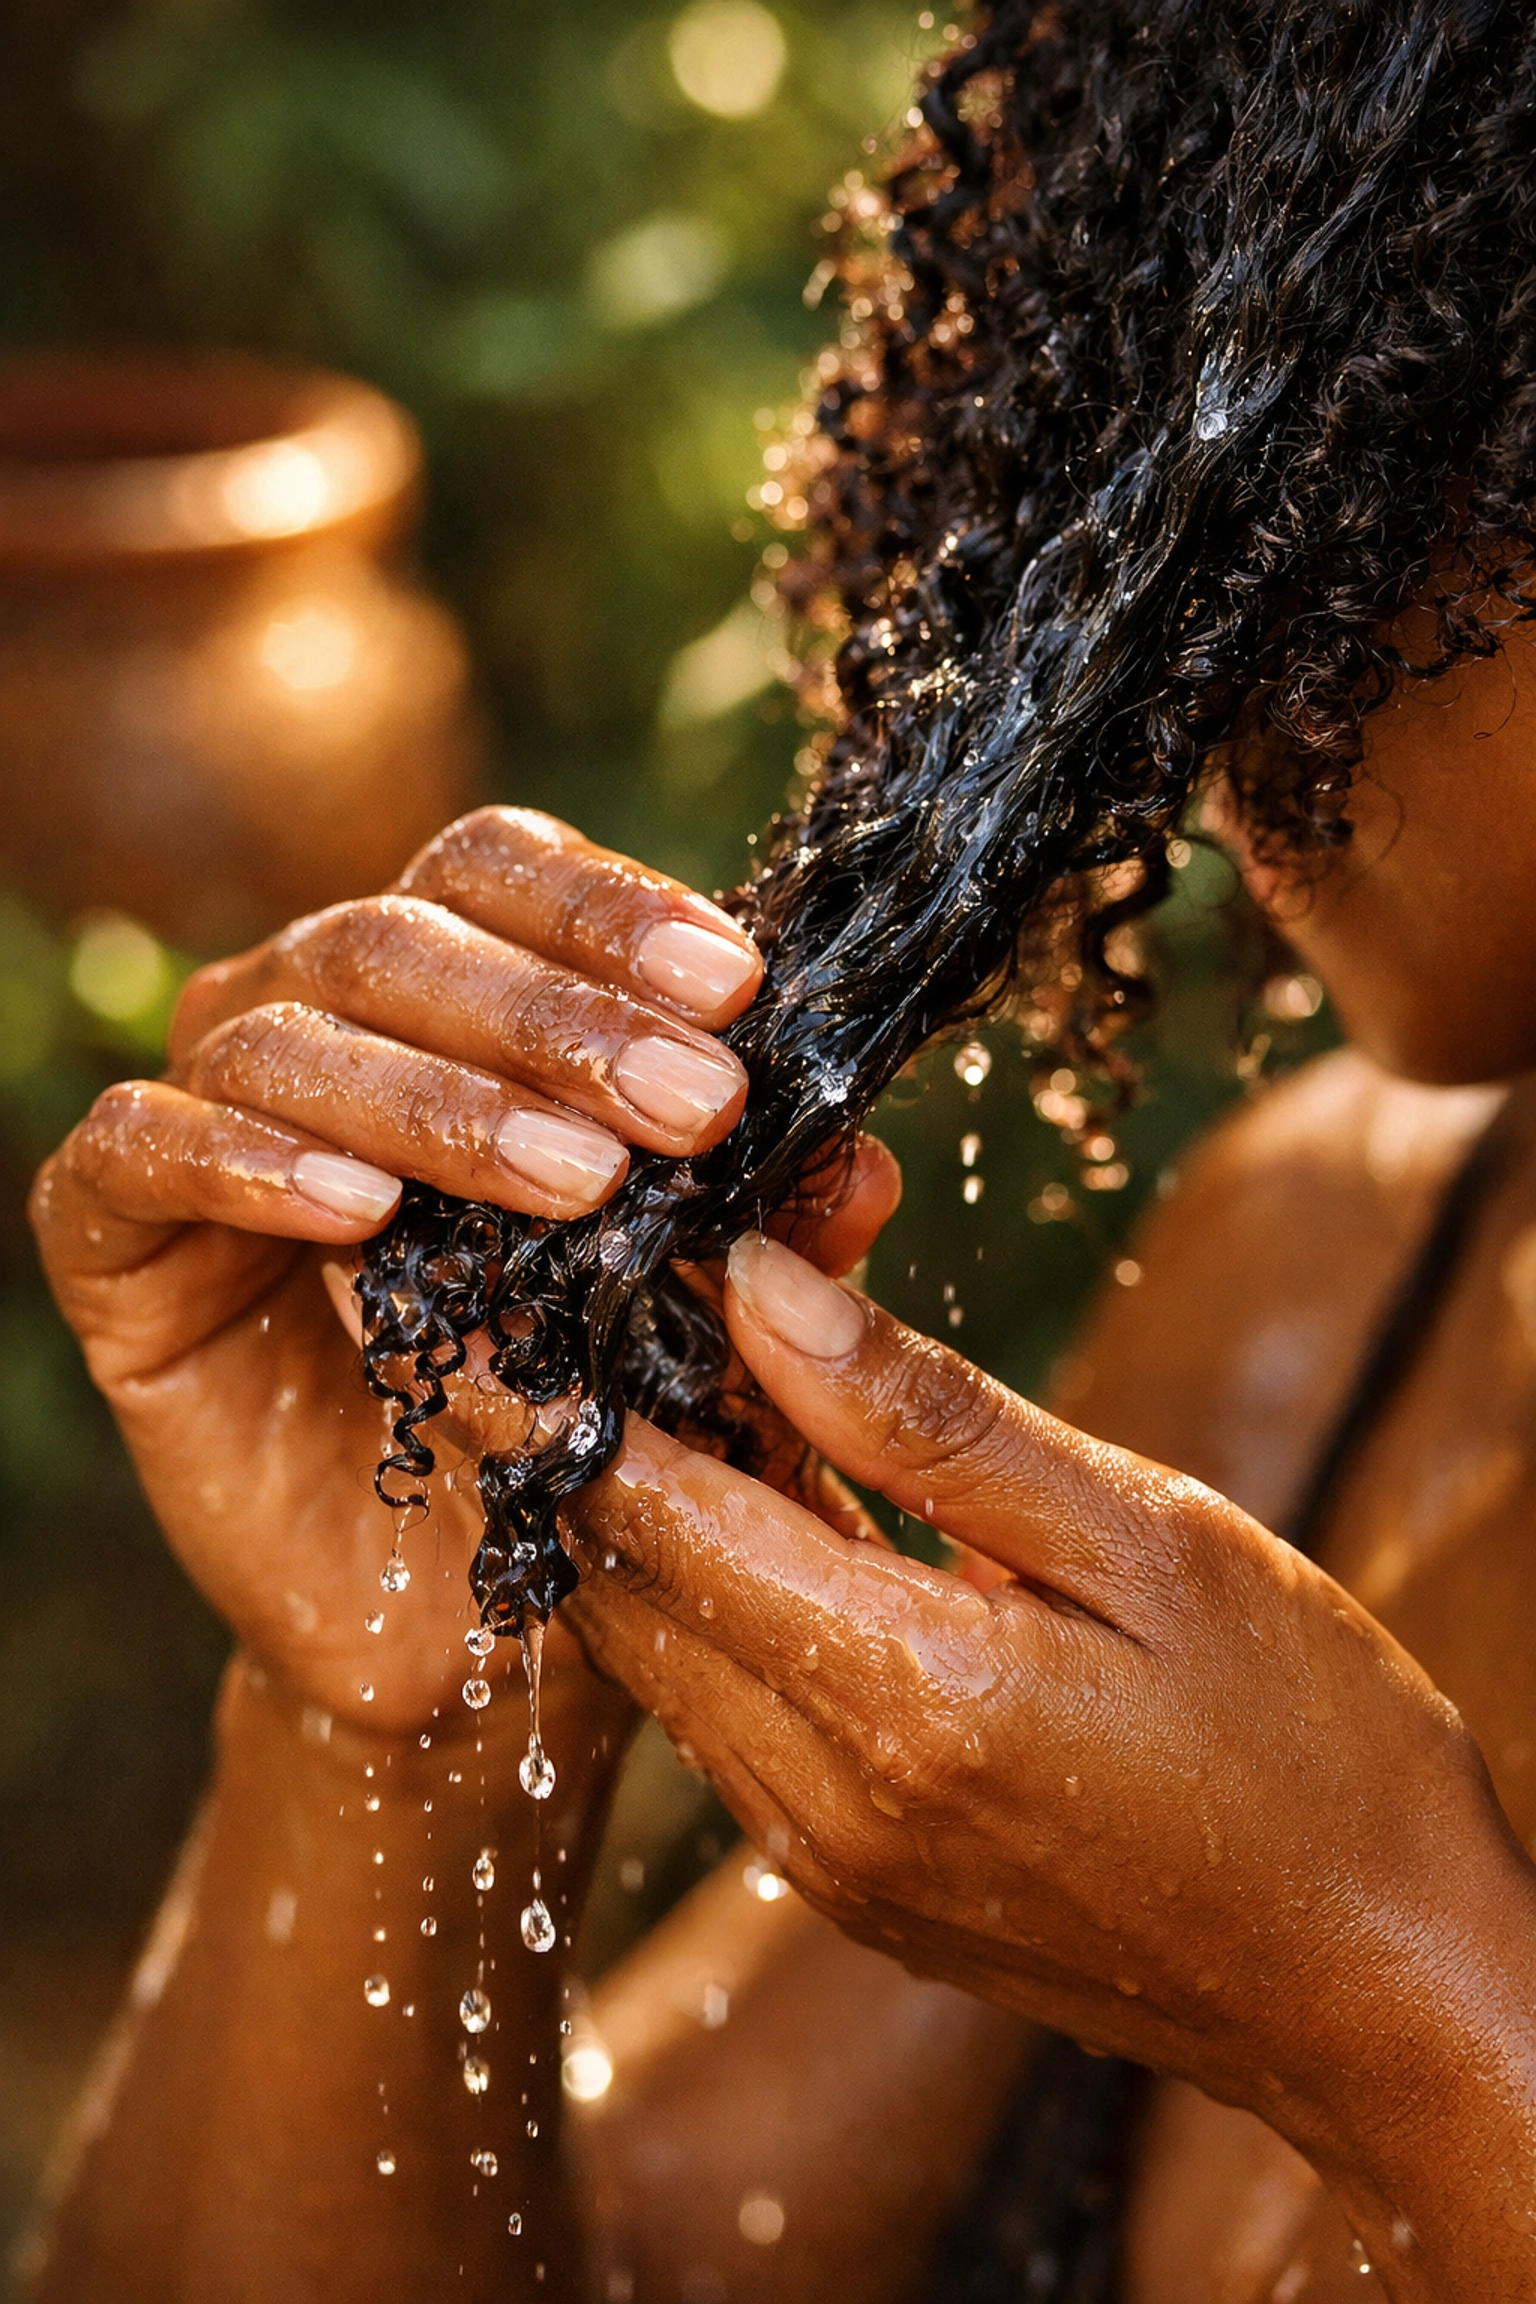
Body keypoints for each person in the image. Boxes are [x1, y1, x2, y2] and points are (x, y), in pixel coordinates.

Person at [22, 4, 1536, 2300]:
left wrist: (1409, 2026)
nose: (1231, 559)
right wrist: (399, 1718)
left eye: (1417, 399)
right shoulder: (1323, 1304)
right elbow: (622, 2250)